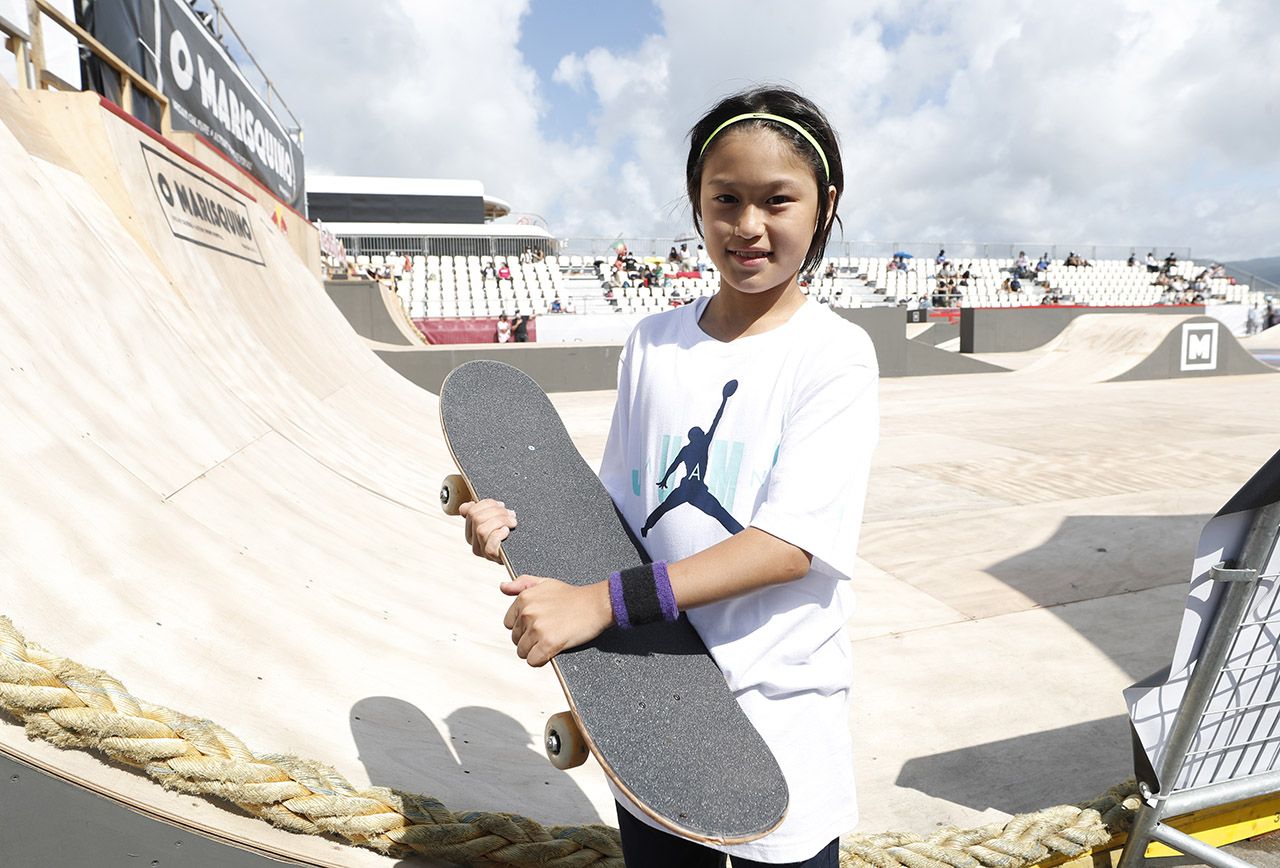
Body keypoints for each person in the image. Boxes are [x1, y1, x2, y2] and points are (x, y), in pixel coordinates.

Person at [457, 86, 875, 867]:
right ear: (696, 205)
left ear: (823, 206)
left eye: (777, 200)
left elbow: (789, 547)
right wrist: (521, 539)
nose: (748, 226)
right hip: (654, 705)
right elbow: (614, 517)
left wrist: (599, 602)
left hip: (778, 714)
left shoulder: (835, 353)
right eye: (726, 200)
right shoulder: (653, 342)